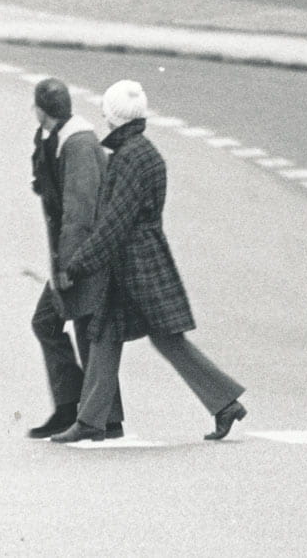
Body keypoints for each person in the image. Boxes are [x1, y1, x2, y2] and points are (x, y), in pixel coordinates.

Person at [53, 80, 247, 443]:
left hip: (137, 268)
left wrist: (77, 265)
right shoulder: (144, 153)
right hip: (140, 262)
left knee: (159, 339)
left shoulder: (130, 159)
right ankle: (91, 420)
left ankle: (224, 402)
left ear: (113, 116)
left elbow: (114, 224)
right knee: (108, 335)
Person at [26, 78, 124, 440]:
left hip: (84, 256)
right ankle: (79, 408)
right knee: (63, 325)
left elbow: (79, 213)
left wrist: (68, 266)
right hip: (72, 255)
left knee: (81, 328)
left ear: (41, 109)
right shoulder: (54, 138)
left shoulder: (78, 144)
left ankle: (99, 416)